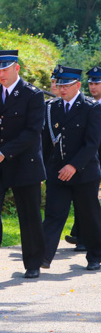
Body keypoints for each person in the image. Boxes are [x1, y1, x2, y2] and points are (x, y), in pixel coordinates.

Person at [0, 50, 46, 280]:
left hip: (24, 162)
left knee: (29, 215)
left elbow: (32, 132)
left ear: (16, 68)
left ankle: (33, 262)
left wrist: (3, 153)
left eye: (5, 69)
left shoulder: (32, 95)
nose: (0, 74)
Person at [40, 66, 101, 271]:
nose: (62, 88)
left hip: (84, 173)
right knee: (54, 214)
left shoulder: (91, 108)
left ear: (77, 85)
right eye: (59, 84)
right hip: (58, 172)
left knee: (89, 216)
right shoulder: (52, 108)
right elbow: (47, 142)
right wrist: (42, 169)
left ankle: (95, 256)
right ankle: (42, 257)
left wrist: (74, 166)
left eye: (66, 85)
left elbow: (92, 144)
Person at [66, 65, 101, 253]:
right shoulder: (86, 105)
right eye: (91, 83)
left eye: (97, 83)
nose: (93, 87)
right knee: (86, 199)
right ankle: (80, 235)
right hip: (89, 159)